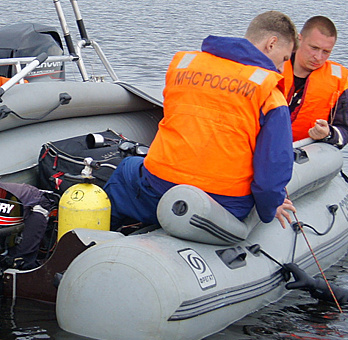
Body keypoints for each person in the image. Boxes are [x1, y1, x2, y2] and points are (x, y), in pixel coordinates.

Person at [104, 11, 298, 231]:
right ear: (271, 43)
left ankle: (97, 236)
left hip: (159, 188)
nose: (282, 69)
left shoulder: (185, 66)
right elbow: (272, 171)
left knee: (128, 168)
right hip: (225, 203)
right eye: (284, 59)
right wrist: (269, 209)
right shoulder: (270, 93)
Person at [282, 16, 348, 149]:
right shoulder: (272, 66)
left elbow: (346, 131)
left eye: (326, 52)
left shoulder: (337, 82)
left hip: (301, 155)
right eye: (314, 48)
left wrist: (327, 133)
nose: (318, 57)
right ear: (299, 39)